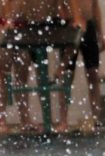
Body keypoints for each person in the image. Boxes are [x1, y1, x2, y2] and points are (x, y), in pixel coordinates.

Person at [9, 0, 86, 132]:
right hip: (29, 26)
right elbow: (17, 10)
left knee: (75, 39)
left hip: (51, 24)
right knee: (25, 74)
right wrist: (11, 22)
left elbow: (73, 6)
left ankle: (60, 70)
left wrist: (76, 19)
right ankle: (26, 120)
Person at [0, 0, 35, 133]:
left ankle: (25, 120)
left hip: (24, 27)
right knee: (2, 73)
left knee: (22, 77)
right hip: (3, 24)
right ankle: (2, 121)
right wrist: (8, 19)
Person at [65, 0, 105, 133]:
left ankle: (96, 118)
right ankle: (63, 120)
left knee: (93, 74)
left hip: (89, 27)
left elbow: (95, 7)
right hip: (70, 27)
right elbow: (58, 5)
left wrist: (100, 33)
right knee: (67, 75)